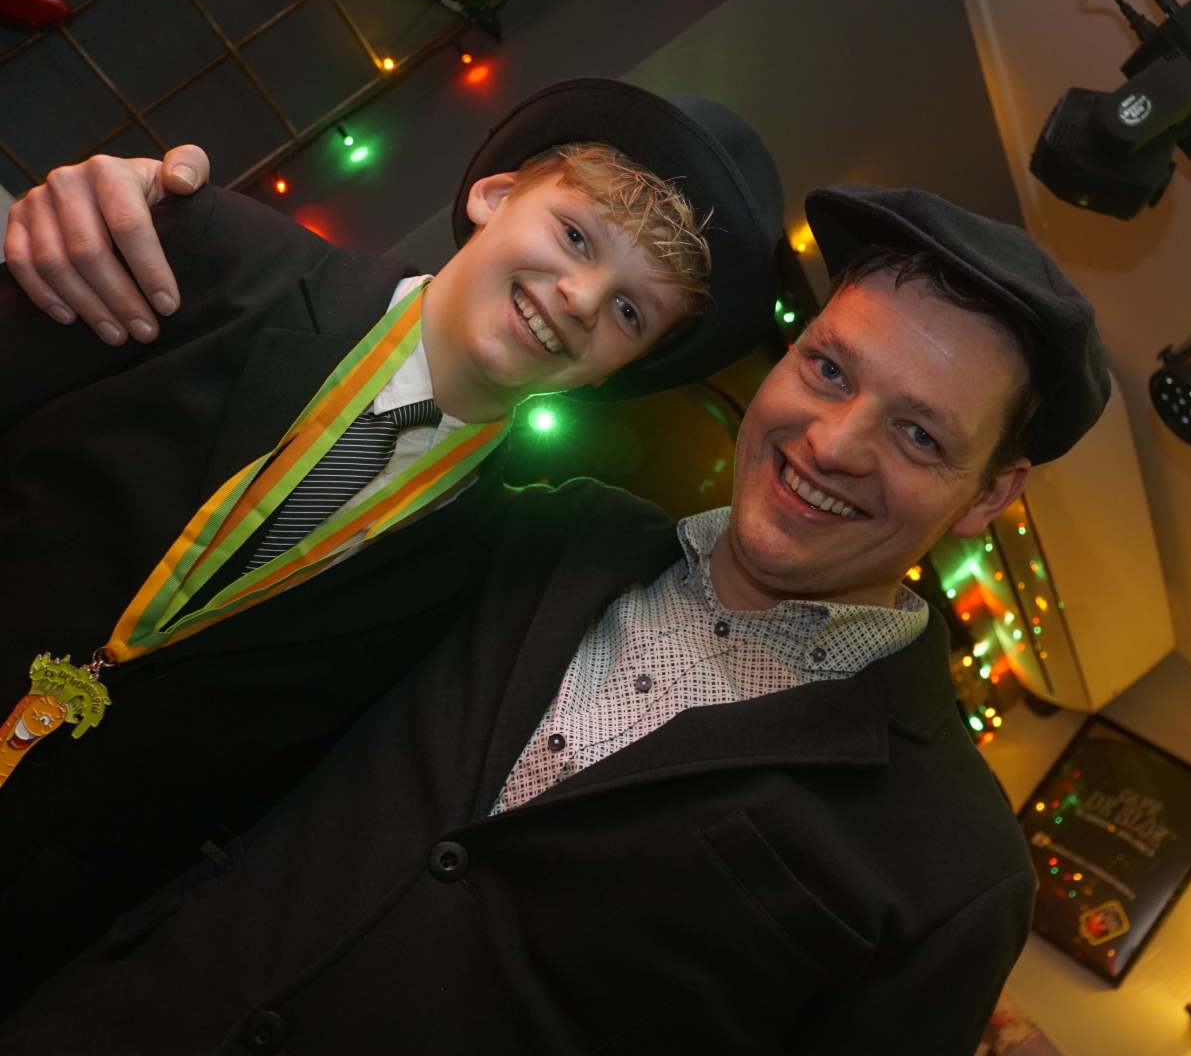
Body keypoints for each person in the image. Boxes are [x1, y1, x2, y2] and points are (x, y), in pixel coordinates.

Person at [0, 182, 1111, 1054]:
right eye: (828, 369)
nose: (834, 443)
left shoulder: (955, 871)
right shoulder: (549, 536)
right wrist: (132, 219)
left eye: (920, 436)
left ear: (991, 494)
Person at [0, 77, 782, 1016]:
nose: (580, 298)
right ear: (495, 194)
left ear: (622, 367)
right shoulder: (210, 252)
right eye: (577, 236)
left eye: (629, 313)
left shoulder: (478, 571)